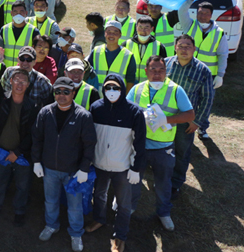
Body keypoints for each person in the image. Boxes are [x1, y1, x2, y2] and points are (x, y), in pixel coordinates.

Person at [127, 55, 196, 232]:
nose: (157, 74)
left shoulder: (175, 90)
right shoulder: (137, 89)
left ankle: (164, 212)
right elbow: (125, 109)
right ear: (146, 71)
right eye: (153, 70)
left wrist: (166, 119)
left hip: (163, 148)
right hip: (139, 147)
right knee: (134, 179)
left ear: (167, 71)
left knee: (163, 183)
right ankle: (130, 207)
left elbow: (189, 115)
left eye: (161, 70)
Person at [32, 77, 96, 252]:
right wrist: (36, 161)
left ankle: (76, 233)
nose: (61, 95)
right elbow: (37, 139)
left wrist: (84, 168)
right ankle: (51, 225)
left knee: (74, 206)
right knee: (50, 201)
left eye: (66, 92)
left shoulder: (83, 116)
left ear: (73, 93)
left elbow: (90, 145)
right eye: (58, 91)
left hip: (73, 172)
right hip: (49, 169)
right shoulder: (45, 112)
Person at [85, 74, 146, 252]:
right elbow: (89, 137)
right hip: (100, 164)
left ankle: (120, 236)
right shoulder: (96, 108)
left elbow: (140, 143)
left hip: (123, 167)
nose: (111, 92)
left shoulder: (134, 112)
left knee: (123, 203)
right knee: (99, 195)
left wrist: (136, 168)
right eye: (108, 88)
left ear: (123, 89)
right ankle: (99, 219)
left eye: (116, 88)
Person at [0, 68, 38, 227]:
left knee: (23, 185)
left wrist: (18, 152)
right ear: (10, 82)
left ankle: (19, 212)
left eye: (23, 81)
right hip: (2, 150)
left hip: (22, 154)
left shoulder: (33, 106)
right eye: (16, 80)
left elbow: (32, 134)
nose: (19, 84)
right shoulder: (4, 99)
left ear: (28, 84)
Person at [165, 34, 214, 199]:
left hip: (186, 122)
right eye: (181, 46)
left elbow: (207, 98)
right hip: (164, 118)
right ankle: (161, 177)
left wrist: (197, 121)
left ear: (194, 49)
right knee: (161, 149)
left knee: (181, 152)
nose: (184, 49)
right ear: (175, 47)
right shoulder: (165, 64)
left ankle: (175, 183)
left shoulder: (203, 70)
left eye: (188, 46)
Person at [183, 1, 227, 117]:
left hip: (208, 75)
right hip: (189, 70)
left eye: (206, 13)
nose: (202, 16)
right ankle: (186, 123)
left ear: (211, 15)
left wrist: (220, 75)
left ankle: (202, 128)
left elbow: (222, 55)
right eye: (200, 13)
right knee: (188, 101)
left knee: (205, 103)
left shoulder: (219, 33)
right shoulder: (189, 25)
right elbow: (182, 11)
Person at [87, 20, 137, 90]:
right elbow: (88, 74)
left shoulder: (128, 55)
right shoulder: (96, 51)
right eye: (109, 32)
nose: (111, 35)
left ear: (120, 35)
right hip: (97, 97)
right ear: (105, 34)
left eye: (115, 32)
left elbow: (130, 80)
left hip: (118, 98)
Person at [123, 16, 167, 84]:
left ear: (152, 29)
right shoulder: (126, 44)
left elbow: (163, 69)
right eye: (140, 27)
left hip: (150, 85)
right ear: (136, 28)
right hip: (129, 85)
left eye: (146, 27)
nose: (143, 31)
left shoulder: (159, 46)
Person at [0, 1, 39, 68]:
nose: (18, 14)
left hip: (24, 70)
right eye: (15, 12)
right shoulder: (4, 29)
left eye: (21, 11)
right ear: (11, 13)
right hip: (6, 70)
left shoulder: (33, 31)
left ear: (26, 13)